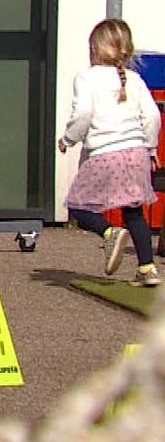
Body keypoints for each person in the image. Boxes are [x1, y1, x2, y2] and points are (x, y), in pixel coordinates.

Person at [59, 18, 161, 287]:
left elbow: (82, 114)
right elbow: (152, 117)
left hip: (105, 154)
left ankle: (108, 232)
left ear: (95, 48)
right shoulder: (136, 80)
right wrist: (150, 148)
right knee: (134, 212)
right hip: (136, 153)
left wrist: (68, 139)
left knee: (77, 205)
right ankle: (147, 268)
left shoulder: (87, 77)